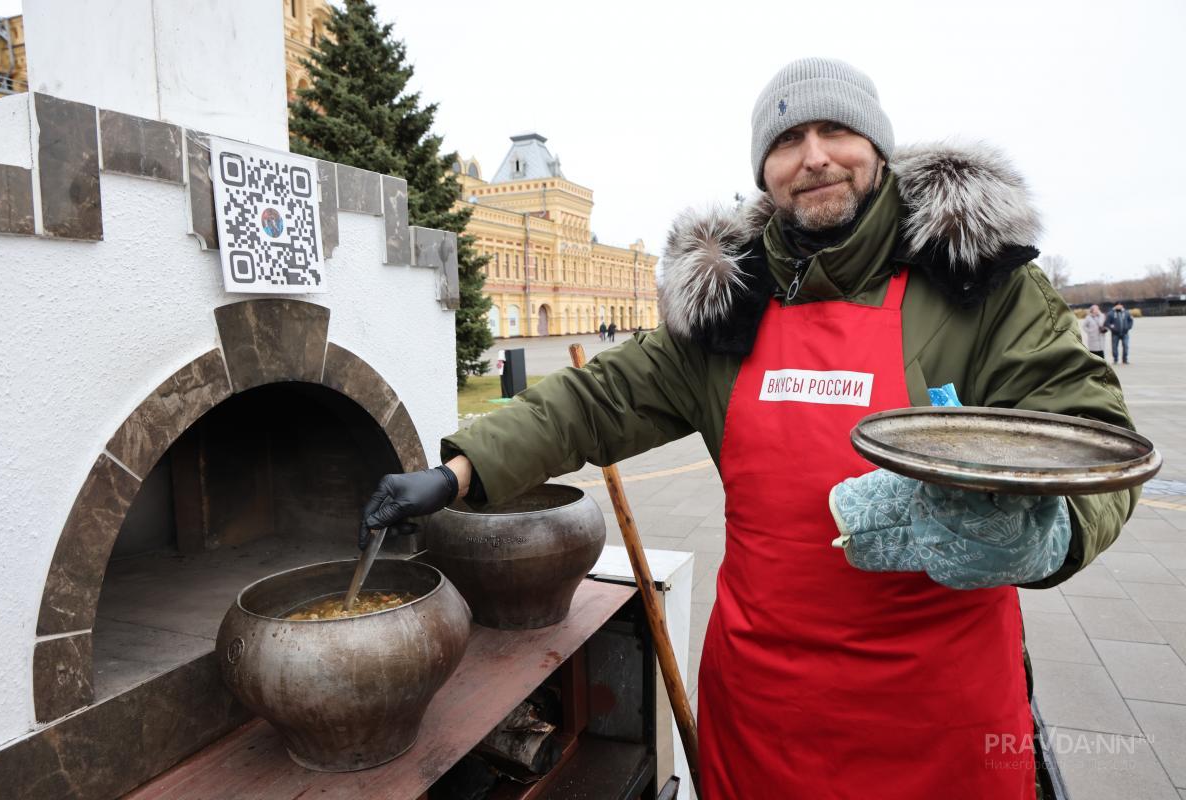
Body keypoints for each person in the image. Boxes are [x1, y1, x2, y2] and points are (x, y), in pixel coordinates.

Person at [362, 58, 1137, 799]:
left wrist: (1050, 534)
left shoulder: (976, 281)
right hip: (767, 716)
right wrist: (460, 471)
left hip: (939, 718)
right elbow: (598, 399)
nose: (815, 158)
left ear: (877, 147)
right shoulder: (730, 305)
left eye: (837, 132)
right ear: (764, 170)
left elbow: (1088, 425)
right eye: (787, 142)